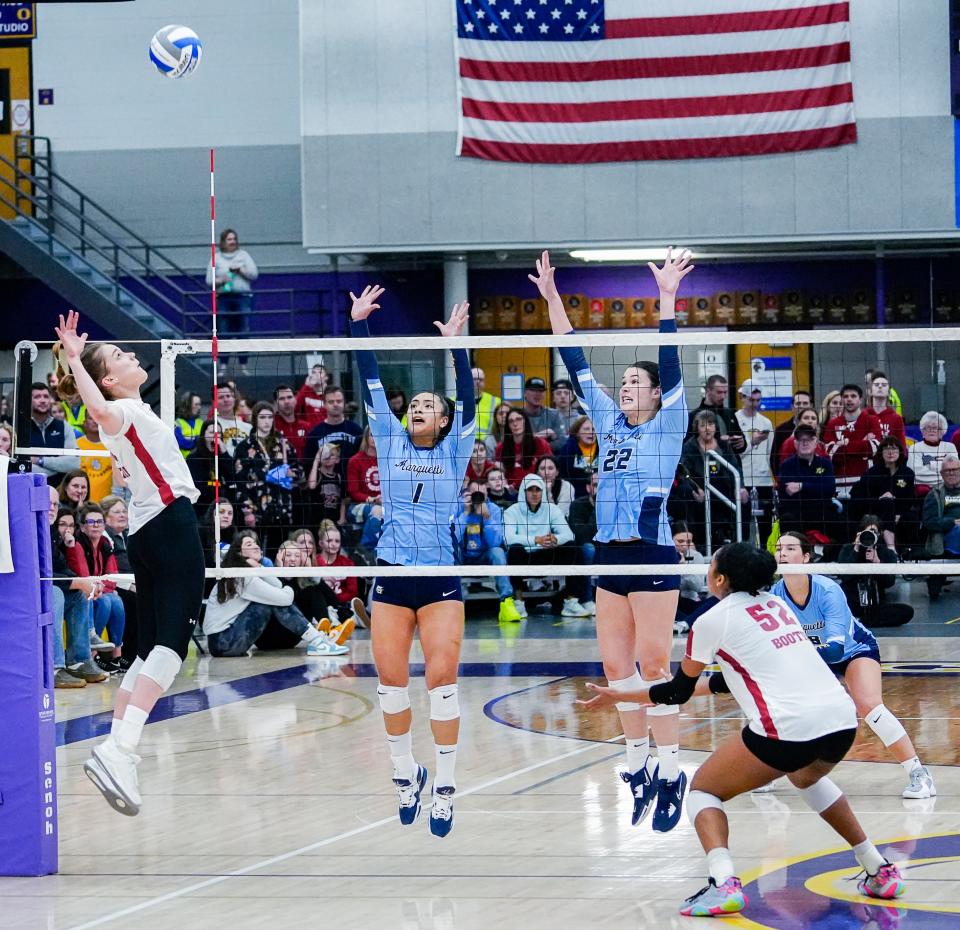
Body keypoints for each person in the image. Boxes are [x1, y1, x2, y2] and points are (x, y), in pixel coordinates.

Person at [578, 543, 907, 917]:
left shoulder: (711, 621)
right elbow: (724, 682)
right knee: (807, 778)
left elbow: (676, 693)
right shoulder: (778, 606)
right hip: (841, 721)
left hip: (789, 728)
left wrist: (619, 696)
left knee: (703, 791)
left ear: (719, 578)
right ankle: (878, 868)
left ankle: (724, 885)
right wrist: (626, 693)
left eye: (711, 564)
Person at [532, 246, 692, 831]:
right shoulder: (607, 421)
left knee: (655, 666)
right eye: (621, 381)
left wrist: (668, 300)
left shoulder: (669, 422)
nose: (624, 387)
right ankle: (637, 763)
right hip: (609, 554)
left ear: (654, 394)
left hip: (651, 555)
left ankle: (672, 769)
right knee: (614, 664)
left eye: (634, 382)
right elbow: (573, 360)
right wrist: (552, 299)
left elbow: (669, 362)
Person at [53, 310, 206, 818]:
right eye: (120, 356)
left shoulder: (135, 417)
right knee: (170, 647)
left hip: (148, 530)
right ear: (109, 380)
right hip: (169, 527)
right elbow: (98, 411)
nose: (134, 355)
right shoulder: (125, 414)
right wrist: (77, 360)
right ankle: (122, 750)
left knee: (144, 651)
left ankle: (120, 749)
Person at [349, 285, 474, 838]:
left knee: (442, 683)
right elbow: (370, 378)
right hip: (393, 575)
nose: (420, 408)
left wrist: (458, 349)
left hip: (441, 577)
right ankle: (406, 772)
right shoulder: (389, 436)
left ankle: (445, 787)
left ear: (444, 423)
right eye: (416, 404)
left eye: (431, 407)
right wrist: (359, 324)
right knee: (392, 684)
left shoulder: (455, 449)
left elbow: (469, 398)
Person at [774, 532, 935, 799]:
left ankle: (919, 774)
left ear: (805, 557)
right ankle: (772, 768)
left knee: (869, 705)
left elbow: (835, 649)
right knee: (784, 706)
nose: (783, 554)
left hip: (853, 651)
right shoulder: (775, 596)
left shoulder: (827, 591)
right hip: (815, 658)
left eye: (790, 549)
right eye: (779, 549)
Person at [204, 531, 346, 657]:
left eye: (256, 543)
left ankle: (320, 639)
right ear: (240, 554)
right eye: (249, 544)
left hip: (223, 641)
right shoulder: (244, 577)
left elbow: (278, 586)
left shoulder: (243, 573)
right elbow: (285, 597)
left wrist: (260, 568)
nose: (256, 546)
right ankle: (318, 641)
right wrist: (287, 586)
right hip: (223, 642)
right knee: (272, 602)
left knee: (285, 597)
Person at [503, 473, 591, 618]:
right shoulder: (512, 511)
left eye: (537, 490)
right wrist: (536, 540)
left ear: (542, 492)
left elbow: (569, 535)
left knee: (573, 547)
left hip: (547, 554)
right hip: (525, 557)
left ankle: (570, 602)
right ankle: (518, 602)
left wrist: (555, 539)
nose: (534, 494)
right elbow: (508, 538)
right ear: (523, 492)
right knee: (515, 549)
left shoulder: (552, 509)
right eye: (530, 490)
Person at [48, 486, 108, 688]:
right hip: (25, 595)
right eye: (48, 503)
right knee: (55, 593)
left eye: (55, 504)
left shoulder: (50, 532)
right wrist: (78, 582)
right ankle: (54, 667)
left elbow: (62, 568)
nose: (52, 508)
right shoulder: (30, 529)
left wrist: (85, 582)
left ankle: (78, 661)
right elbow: (39, 574)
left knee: (79, 595)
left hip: (49, 588)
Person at [233, 402, 299, 548]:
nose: (267, 421)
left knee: (279, 551)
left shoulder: (284, 443)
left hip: (281, 508)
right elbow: (240, 482)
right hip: (256, 509)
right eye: (262, 417)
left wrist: (290, 473)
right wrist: (247, 511)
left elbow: (299, 471)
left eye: (270, 417)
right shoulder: (244, 446)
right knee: (254, 551)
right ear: (255, 419)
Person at [679, 410, 745, 550]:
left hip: (724, 492)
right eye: (703, 425)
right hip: (701, 493)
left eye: (710, 424)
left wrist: (741, 487)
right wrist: (695, 489)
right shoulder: (689, 447)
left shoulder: (724, 445)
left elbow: (735, 467)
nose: (707, 428)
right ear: (697, 428)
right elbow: (684, 473)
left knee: (743, 501)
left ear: (716, 427)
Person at [453, 478, 515, 621]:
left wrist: (486, 518)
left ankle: (506, 602)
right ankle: (456, 601)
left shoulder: (493, 509)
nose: (478, 498)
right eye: (475, 493)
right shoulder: (459, 507)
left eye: (482, 494)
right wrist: (466, 514)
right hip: (462, 555)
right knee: (452, 550)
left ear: (487, 494)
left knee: (498, 552)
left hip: (483, 555)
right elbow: (452, 538)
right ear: (467, 493)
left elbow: (495, 542)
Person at [837, 516, 915, 628]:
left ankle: (859, 622)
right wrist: (856, 549)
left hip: (874, 605)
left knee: (907, 611)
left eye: (874, 532)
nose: (870, 536)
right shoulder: (848, 549)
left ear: (880, 534)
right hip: (850, 603)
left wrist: (877, 564)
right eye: (867, 532)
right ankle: (859, 620)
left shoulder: (887, 553)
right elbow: (845, 577)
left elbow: (889, 582)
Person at [850, 437, 919, 550]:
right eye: (886, 449)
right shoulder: (872, 473)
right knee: (886, 501)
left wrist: (899, 514)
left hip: (899, 511)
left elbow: (909, 498)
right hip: (877, 511)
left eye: (894, 449)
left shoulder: (907, 473)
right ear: (881, 452)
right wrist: (879, 498)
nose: (890, 452)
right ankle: (890, 548)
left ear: (900, 452)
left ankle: (909, 550)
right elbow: (860, 497)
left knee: (911, 516)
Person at [777, 425, 839, 539]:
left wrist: (801, 485)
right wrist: (817, 486)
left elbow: (829, 489)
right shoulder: (787, 465)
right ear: (795, 444)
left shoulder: (825, 463)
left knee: (841, 520)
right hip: (797, 513)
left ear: (815, 442)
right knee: (787, 519)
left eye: (809, 439)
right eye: (801, 440)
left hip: (822, 511)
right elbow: (789, 492)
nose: (805, 443)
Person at [823, 384, 882, 499]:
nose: (849, 399)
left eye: (853, 396)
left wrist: (843, 445)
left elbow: (874, 448)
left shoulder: (872, 420)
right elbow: (830, 454)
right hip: (839, 485)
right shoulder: (833, 423)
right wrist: (862, 443)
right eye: (845, 396)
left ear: (860, 400)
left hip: (866, 482)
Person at [102, 494, 140, 667]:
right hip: (114, 584)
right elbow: (109, 570)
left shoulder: (127, 535)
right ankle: (128, 655)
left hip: (131, 582)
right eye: (117, 512)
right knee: (133, 600)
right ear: (105, 516)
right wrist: (130, 585)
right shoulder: (105, 536)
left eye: (124, 511)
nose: (123, 515)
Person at [734, 381, 774, 544]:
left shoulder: (766, 423)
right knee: (743, 523)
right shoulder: (735, 420)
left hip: (763, 480)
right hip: (743, 480)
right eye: (751, 400)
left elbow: (769, 453)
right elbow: (735, 454)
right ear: (742, 397)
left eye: (758, 400)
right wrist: (753, 442)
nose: (755, 404)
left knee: (765, 525)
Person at [206, 228, 258, 340]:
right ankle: (224, 357)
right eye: (229, 239)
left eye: (234, 239)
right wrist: (221, 280)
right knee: (223, 330)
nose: (232, 241)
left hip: (242, 297)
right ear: (223, 242)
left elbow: (254, 274)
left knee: (243, 330)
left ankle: (243, 357)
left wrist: (240, 270)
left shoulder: (244, 255)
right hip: (223, 299)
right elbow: (209, 281)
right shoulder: (216, 258)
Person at [921, 454, 960, 596]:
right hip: (946, 535)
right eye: (948, 470)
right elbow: (928, 522)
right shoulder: (934, 494)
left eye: (955, 469)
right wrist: (951, 522)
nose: (951, 473)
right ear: (941, 474)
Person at [29, 382, 80, 483]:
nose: (43, 400)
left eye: (46, 396)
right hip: (31, 489)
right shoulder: (22, 429)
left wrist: (39, 460)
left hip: (61, 491)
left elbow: (74, 463)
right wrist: (58, 467)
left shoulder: (64, 426)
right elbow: (23, 468)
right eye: (37, 397)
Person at [302, 384, 363, 468]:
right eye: (331, 402)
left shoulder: (356, 430)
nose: (335, 404)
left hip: (351, 480)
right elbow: (309, 466)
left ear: (344, 403)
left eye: (339, 401)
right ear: (324, 404)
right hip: (324, 480)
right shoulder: (315, 434)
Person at [685, 375, 746, 454]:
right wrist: (719, 442)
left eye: (725, 392)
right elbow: (687, 447)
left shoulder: (729, 414)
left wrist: (742, 443)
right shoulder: (694, 416)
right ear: (708, 390)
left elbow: (741, 443)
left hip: (730, 463)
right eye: (719, 392)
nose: (723, 396)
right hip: (705, 462)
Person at [496, 408, 551, 491]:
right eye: (511, 421)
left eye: (518, 419)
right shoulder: (501, 447)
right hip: (510, 493)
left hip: (537, 489)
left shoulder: (540, 444)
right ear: (508, 426)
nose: (515, 424)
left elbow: (550, 469)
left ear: (525, 421)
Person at [567, 470, 599, 613]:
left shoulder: (615, 505)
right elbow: (582, 536)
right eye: (597, 485)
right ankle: (587, 599)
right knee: (588, 549)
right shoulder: (577, 505)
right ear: (588, 488)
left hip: (608, 546)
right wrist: (597, 510)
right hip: (587, 548)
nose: (601, 489)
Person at [187, 421, 234, 516]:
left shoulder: (223, 456)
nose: (216, 435)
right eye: (212, 432)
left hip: (223, 506)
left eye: (219, 433)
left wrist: (224, 452)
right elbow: (198, 486)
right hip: (202, 508)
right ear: (203, 435)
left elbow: (232, 477)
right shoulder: (194, 458)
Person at [907, 411, 957, 494]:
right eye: (928, 428)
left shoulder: (950, 447)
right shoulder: (915, 448)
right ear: (923, 431)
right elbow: (916, 473)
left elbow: (954, 471)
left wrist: (930, 469)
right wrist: (942, 473)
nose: (932, 430)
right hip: (923, 490)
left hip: (947, 487)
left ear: (942, 432)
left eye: (936, 428)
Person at [672, 521, 709, 624]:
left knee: (715, 601)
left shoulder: (696, 556)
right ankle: (686, 622)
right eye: (680, 541)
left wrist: (685, 569)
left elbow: (697, 587)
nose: (684, 545)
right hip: (670, 602)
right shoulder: (663, 556)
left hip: (690, 601)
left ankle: (685, 622)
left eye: (688, 542)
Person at [77, 411, 116, 502]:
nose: (95, 421)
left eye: (98, 418)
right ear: (85, 423)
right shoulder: (76, 445)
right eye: (91, 418)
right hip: (82, 503)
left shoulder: (113, 445)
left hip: (108, 503)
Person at [556, 415, 598, 498]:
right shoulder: (567, 450)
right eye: (586, 429)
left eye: (593, 429)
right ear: (577, 433)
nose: (591, 432)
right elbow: (564, 477)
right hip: (575, 495)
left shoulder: (604, 449)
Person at [769, 390, 812, 470]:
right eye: (798, 403)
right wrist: (781, 479)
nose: (801, 406)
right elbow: (774, 459)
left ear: (811, 406)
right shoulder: (781, 430)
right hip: (789, 478)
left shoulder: (820, 428)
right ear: (792, 407)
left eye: (805, 403)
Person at [307, 443, 347, 526]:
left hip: (334, 521)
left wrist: (342, 518)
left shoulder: (339, 477)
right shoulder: (316, 474)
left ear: (337, 460)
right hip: (316, 521)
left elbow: (343, 499)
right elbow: (312, 486)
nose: (328, 457)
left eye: (332, 455)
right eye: (326, 454)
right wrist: (316, 461)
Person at [866, 371, 906, 446]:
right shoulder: (863, 415)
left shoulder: (896, 418)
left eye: (884, 385)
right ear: (871, 391)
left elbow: (902, 446)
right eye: (876, 385)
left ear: (888, 392)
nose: (880, 386)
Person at [273, 384, 311, 460]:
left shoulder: (307, 426)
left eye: (289, 397)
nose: (286, 401)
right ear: (275, 403)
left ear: (295, 399)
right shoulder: (272, 426)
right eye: (282, 399)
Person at [523, 376, 565, 446]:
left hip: (550, 456)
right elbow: (515, 443)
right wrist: (542, 435)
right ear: (525, 393)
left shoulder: (554, 414)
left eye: (541, 390)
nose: (538, 394)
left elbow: (561, 442)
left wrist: (533, 443)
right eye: (533, 390)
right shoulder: (518, 415)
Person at [213, 382, 252, 456]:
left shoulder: (249, 427)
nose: (226, 400)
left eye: (228, 396)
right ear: (214, 402)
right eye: (221, 397)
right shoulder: (212, 425)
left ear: (234, 398)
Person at [550, 378, 582, 452]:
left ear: (572, 397)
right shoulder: (547, 418)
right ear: (553, 398)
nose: (562, 396)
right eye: (558, 393)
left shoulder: (580, 420)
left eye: (566, 393)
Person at [471, 367, 502, 443]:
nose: (477, 382)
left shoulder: (496, 401)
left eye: (480, 379)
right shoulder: (454, 401)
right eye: (474, 379)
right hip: (464, 445)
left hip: (487, 444)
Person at [174, 391, 204, 458]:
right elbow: (181, 443)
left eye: (200, 404)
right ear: (187, 405)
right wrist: (197, 440)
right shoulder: (177, 423)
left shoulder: (200, 422)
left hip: (197, 463)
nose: (199, 407)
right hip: (183, 463)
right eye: (196, 404)